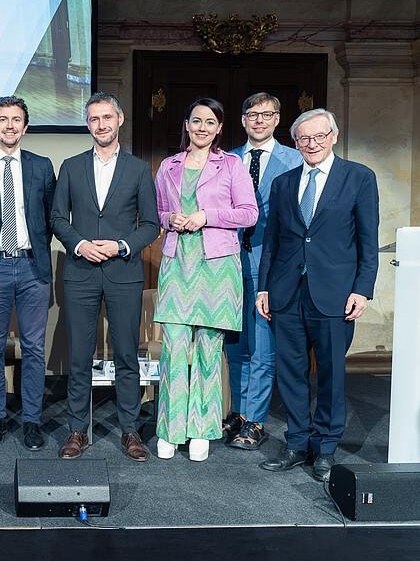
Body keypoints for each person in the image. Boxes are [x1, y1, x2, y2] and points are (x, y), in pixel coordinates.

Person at [258, 109, 378, 482]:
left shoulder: (358, 177)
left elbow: (367, 241)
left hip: (336, 294)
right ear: (296, 142)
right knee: (290, 372)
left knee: (330, 374)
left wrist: (363, 289)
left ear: (334, 136)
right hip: (286, 292)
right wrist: (263, 287)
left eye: (318, 137)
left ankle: (326, 448)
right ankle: (297, 443)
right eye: (303, 139)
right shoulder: (283, 182)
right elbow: (273, 242)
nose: (311, 144)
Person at [51, 92, 160, 461]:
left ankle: (131, 431)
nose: (101, 124)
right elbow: (56, 219)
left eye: (107, 117)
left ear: (120, 119)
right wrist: (79, 244)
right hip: (80, 273)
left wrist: (120, 246)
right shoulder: (70, 166)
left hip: (123, 274)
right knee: (79, 357)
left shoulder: (138, 169)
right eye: (94, 119)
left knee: (127, 355)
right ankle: (77, 431)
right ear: (88, 124)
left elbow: (150, 225)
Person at [152, 98, 258, 462]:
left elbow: (249, 212)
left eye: (209, 122)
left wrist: (205, 216)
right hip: (178, 265)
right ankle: (170, 430)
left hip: (217, 268)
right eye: (196, 120)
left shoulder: (232, 165)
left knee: (209, 353)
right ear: (186, 124)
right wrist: (172, 221)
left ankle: (201, 430)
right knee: (174, 351)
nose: (201, 127)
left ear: (218, 129)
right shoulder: (168, 166)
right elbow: (159, 213)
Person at [0, 96, 56, 451]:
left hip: (33, 267)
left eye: (16, 120)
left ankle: (31, 421)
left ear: (25, 127)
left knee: (33, 347)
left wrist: (30, 248)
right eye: (3, 120)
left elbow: (49, 219)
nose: (10, 126)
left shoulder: (42, 166)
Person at [223, 93, 302, 451]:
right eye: (252, 114)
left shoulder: (295, 159)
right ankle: (239, 413)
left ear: (277, 119)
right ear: (242, 120)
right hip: (226, 263)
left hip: (269, 264)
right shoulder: (226, 161)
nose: (258, 120)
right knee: (235, 346)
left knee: (263, 348)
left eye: (266, 114)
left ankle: (255, 420)